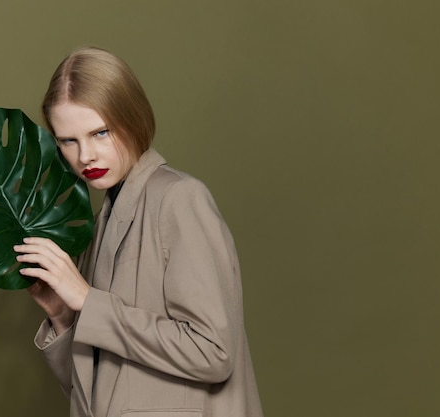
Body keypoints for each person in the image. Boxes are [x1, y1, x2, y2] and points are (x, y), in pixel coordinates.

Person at [13, 46, 263, 417]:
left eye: (100, 133)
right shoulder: (101, 225)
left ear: (133, 118)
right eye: (69, 140)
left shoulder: (179, 198)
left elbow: (214, 352)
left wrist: (87, 299)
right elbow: (98, 393)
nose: (85, 156)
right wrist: (63, 315)